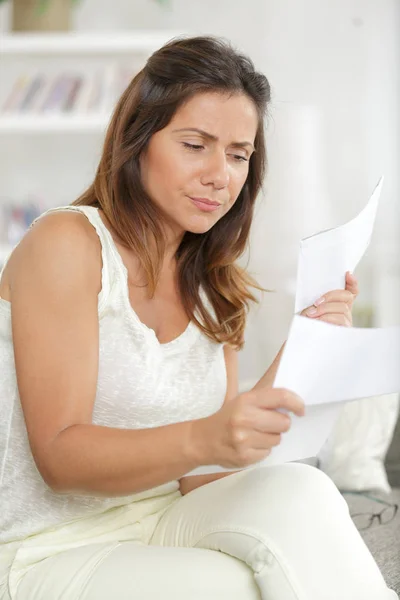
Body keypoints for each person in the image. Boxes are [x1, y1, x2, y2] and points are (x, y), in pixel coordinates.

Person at [0, 36, 397, 600]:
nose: (221, 175)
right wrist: (208, 435)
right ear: (138, 141)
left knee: (304, 491)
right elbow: (60, 457)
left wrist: (303, 351)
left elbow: (202, 474)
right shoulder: (67, 243)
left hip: (167, 519)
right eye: (195, 145)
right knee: (232, 586)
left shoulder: (211, 283)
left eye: (238, 154)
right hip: (51, 545)